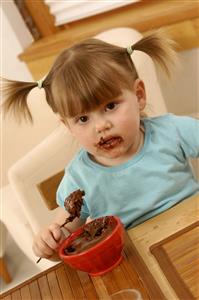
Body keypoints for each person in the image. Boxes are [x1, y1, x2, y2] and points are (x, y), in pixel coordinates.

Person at [2, 31, 199, 261]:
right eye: (83, 119)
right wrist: (51, 243)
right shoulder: (79, 179)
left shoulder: (172, 131)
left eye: (110, 106)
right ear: (67, 126)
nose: (101, 126)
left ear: (139, 95)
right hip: (137, 262)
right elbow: (67, 238)